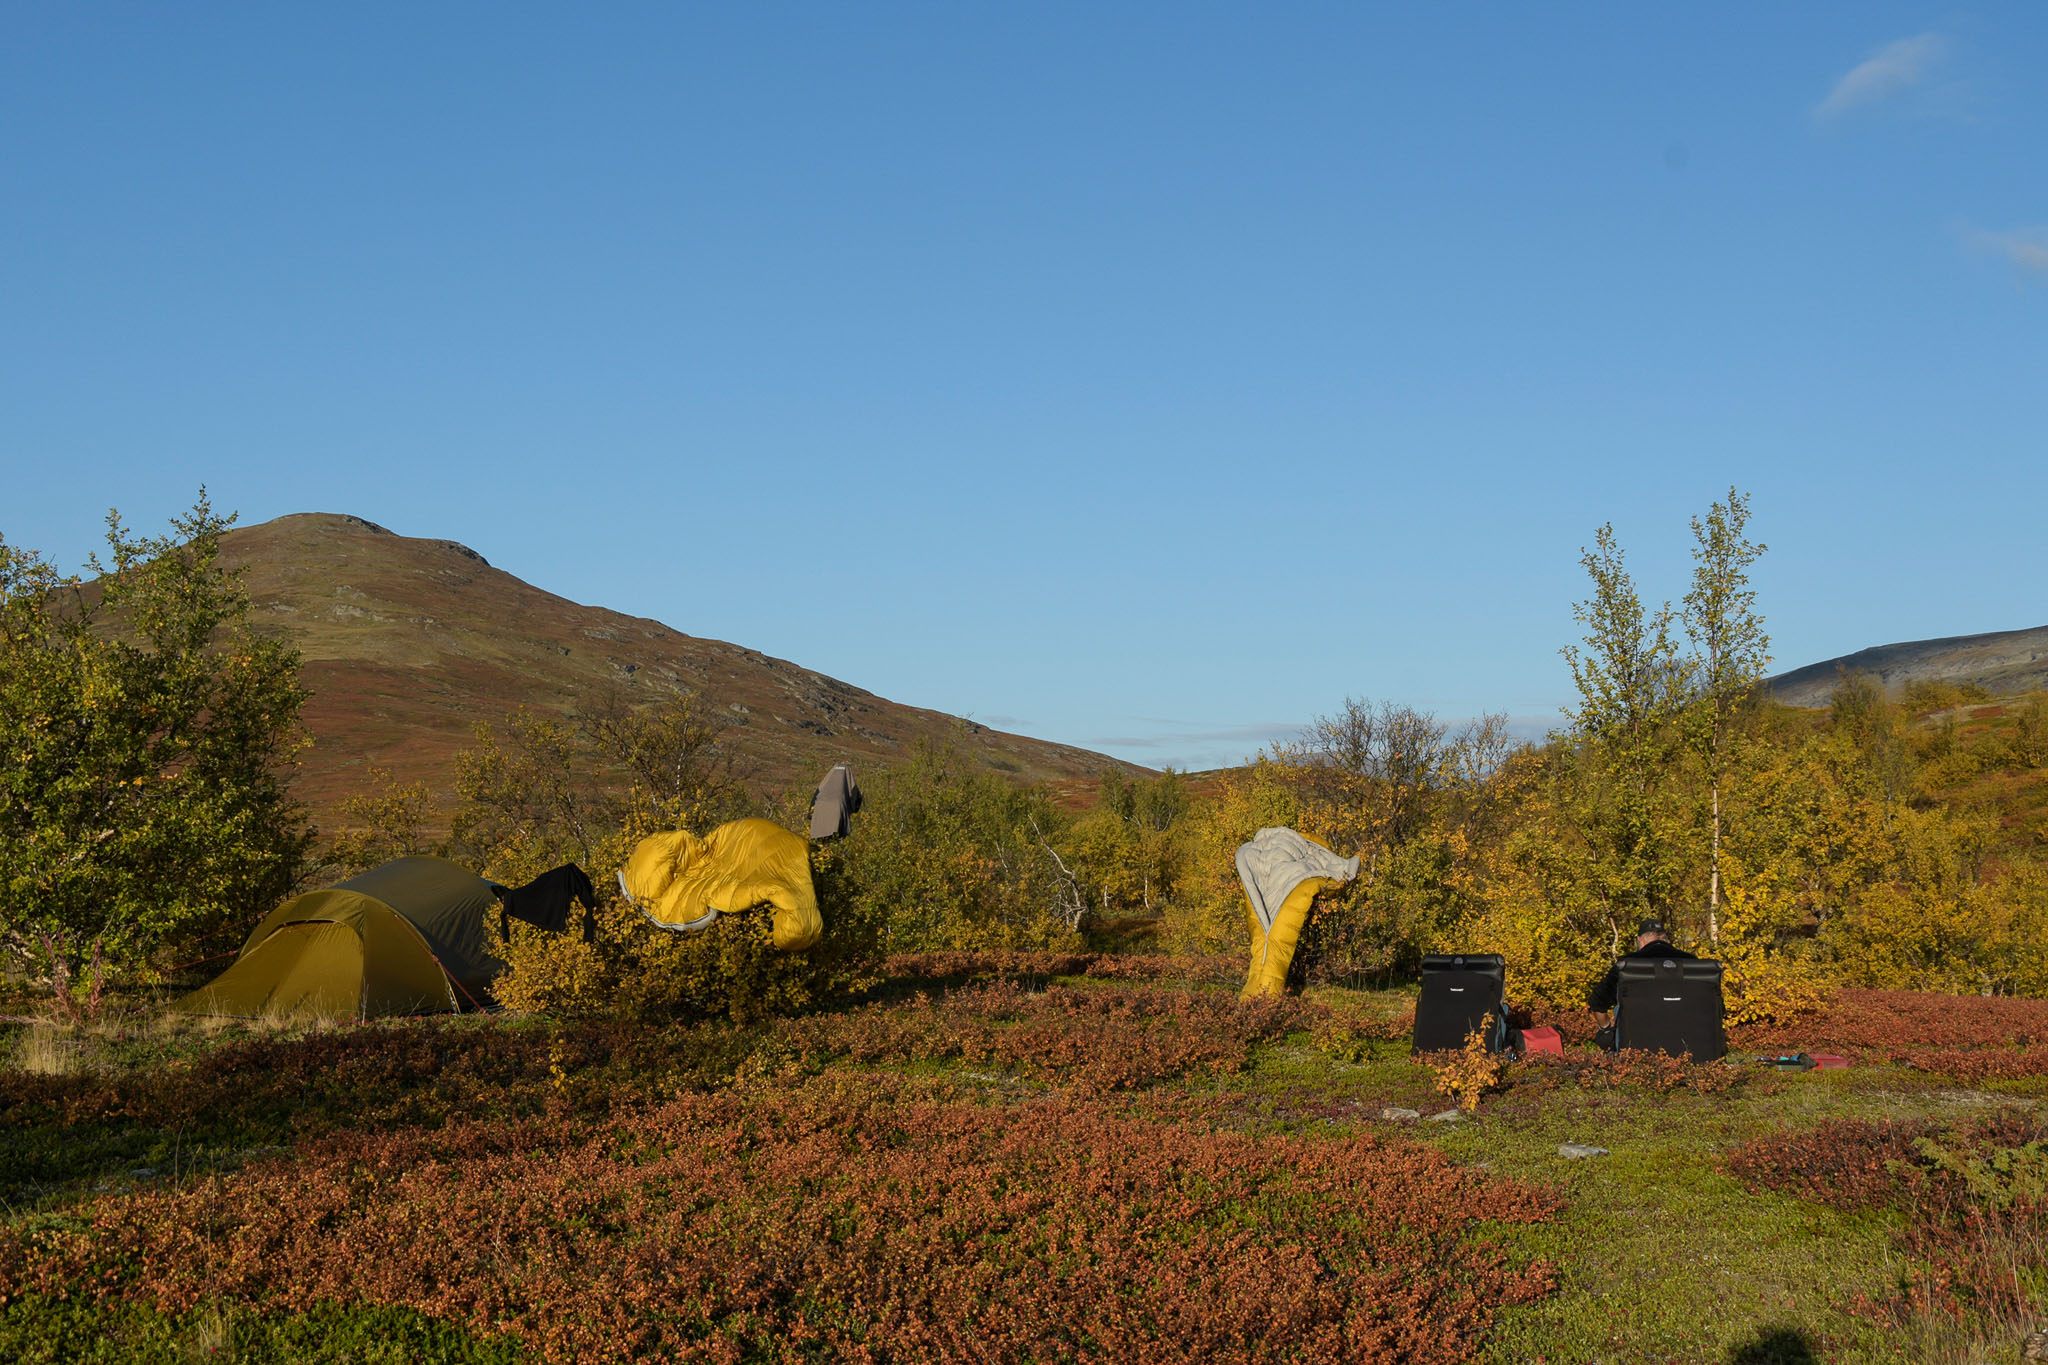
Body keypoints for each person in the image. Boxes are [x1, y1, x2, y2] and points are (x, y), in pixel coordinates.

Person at [1587, 917, 1697, 1014]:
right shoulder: (1691, 962)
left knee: (1619, 1010)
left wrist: (1606, 1028)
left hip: (1637, 1034)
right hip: (1687, 1031)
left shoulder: (1626, 965)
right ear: (1667, 939)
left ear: (1640, 940)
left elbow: (1597, 1002)